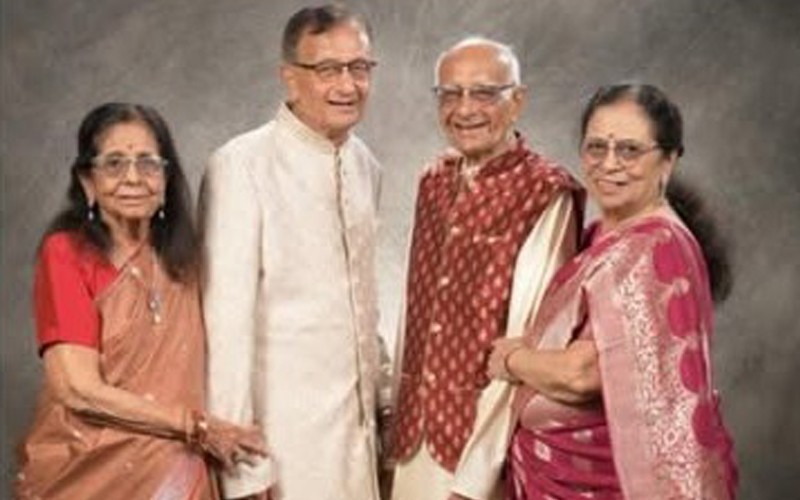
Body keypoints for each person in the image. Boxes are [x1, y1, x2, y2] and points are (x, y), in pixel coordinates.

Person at [487, 83, 738, 499]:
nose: (608, 164)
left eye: (629, 150)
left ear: (668, 160)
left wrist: (512, 359)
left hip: (607, 485)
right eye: (596, 147)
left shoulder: (653, 249)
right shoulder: (598, 236)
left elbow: (583, 374)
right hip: (551, 476)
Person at [15, 102, 266, 500]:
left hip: (181, 469)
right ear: (88, 182)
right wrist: (195, 426)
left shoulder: (188, 262)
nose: (133, 178)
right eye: (114, 164)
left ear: (166, 178)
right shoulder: (66, 254)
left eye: (148, 164)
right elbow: (77, 388)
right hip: (89, 471)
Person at [199, 5, 390, 500]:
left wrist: (386, 408)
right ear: (289, 77)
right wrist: (243, 470)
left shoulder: (365, 164)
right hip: (282, 444)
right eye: (327, 69)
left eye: (359, 67)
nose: (347, 85)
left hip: (360, 437)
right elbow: (225, 324)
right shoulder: (241, 165)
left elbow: (365, 306)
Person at [389, 37, 585, 500]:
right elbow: (412, 318)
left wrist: (477, 476)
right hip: (412, 440)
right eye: (450, 94)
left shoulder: (545, 191)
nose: (464, 109)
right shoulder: (434, 181)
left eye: (483, 93)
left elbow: (531, 339)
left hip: (481, 447)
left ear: (517, 101)